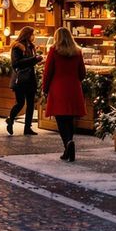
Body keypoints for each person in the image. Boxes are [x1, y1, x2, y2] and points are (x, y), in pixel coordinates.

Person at [44, 27, 86, 162]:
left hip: (58, 88)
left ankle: (68, 143)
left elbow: (48, 72)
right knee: (69, 119)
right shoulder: (77, 52)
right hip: (74, 88)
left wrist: (45, 88)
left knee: (61, 120)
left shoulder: (54, 51)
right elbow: (82, 73)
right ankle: (69, 146)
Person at [6, 26, 42, 136]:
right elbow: (16, 63)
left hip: (30, 78)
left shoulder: (31, 46)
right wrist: (34, 59)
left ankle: (27, 127)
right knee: (20, 103)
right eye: (32, 34)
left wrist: (37, 60)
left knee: (31, 104)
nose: (34, 36)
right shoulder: (17, 46)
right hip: (21, 79)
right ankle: (11, 119)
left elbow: (29, 62)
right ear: (27, 34)